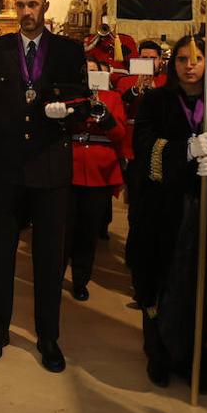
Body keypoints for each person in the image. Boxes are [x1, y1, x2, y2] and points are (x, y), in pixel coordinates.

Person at [0, 0, 87, 373]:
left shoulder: (69, 51)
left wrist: (69, 115)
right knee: (2, 254)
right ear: (15, 7)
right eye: (21, 5)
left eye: (33, 5)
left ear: (45, 7)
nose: (27, 12)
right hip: (7, 168)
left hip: (51, 167)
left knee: (48, 259)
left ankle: (48, 337)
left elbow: (83, 106)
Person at [132, 34, 207, 390]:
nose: (190, 66)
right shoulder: (155, 102)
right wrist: (184, 151)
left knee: (205, 284)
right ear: (174, 63)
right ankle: (163, 353)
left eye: (197, 59)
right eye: (183, 59)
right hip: (165, 209)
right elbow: (143, 147)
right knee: (166, 277)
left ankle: (206, 359)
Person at [64, 61, 127, 302]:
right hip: (70, 168)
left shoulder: (113, 97)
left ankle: (81, 280)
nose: (90, 74)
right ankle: (54, 275)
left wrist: (105, 116)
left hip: (100, 172)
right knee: (63, 229)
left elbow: (120, 134)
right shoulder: (71, 95)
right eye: (86, 69)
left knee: (87, 233)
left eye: (94, 69)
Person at [118, 39, 166, 301]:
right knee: (137, 209)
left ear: (160, 60)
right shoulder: (127, 82)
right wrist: (137, 91)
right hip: (136, 150)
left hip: (162, 151)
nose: (149, 62)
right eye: (143, 58)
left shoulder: (168, 83)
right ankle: (136, 261)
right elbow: (121, 106)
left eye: (153, 58)